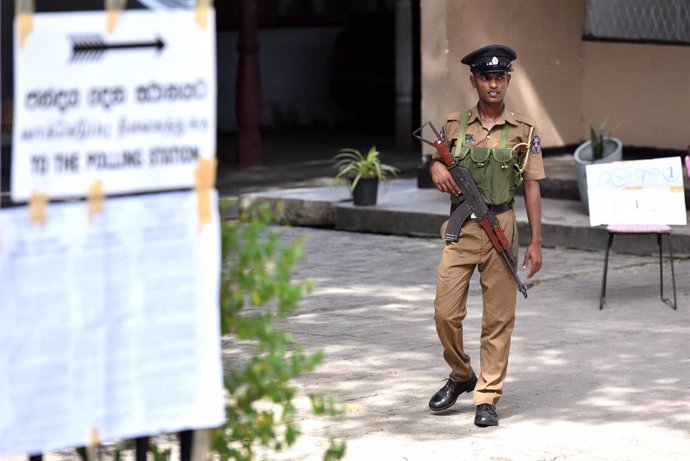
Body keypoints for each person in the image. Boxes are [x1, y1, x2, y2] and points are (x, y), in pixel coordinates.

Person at [427, 44, 545, 427]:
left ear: (507, 80)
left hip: (502, 227)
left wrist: (537, 240)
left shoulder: (524, 130)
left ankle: (488, 396)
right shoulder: (453, 125)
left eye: (499, 78)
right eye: (486, 78)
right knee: (445, 312)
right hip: (462, 230)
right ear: (474, 80)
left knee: (498, 319)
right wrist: (435, 170)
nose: (493, 84)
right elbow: (438, 160)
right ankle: (461, 375)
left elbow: (531, 186)